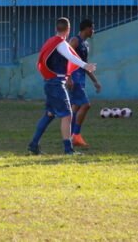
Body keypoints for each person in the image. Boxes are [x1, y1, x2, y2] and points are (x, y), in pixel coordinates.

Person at [28, 18, 96, 156]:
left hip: (49, 83)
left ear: (56, 28)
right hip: (56, 84)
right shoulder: (60, 43)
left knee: (49, 114)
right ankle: (68, 150)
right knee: (67, 115)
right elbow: (70, 56)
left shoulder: (50, 41)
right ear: (68, 29)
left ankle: (34, 144)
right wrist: (85, 65)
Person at [67, 19, 101, 149]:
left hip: (81, 78)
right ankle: (76, 135)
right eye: (92, 28)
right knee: (86, 105)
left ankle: (70, 137)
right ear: (86, 29)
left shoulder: (85, 44)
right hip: (75, 79)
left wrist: (95, 81)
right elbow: (66, 58)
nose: (93, 31)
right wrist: (69, 77)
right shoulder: (75, 41)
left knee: (75, 107)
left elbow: (85, 65)